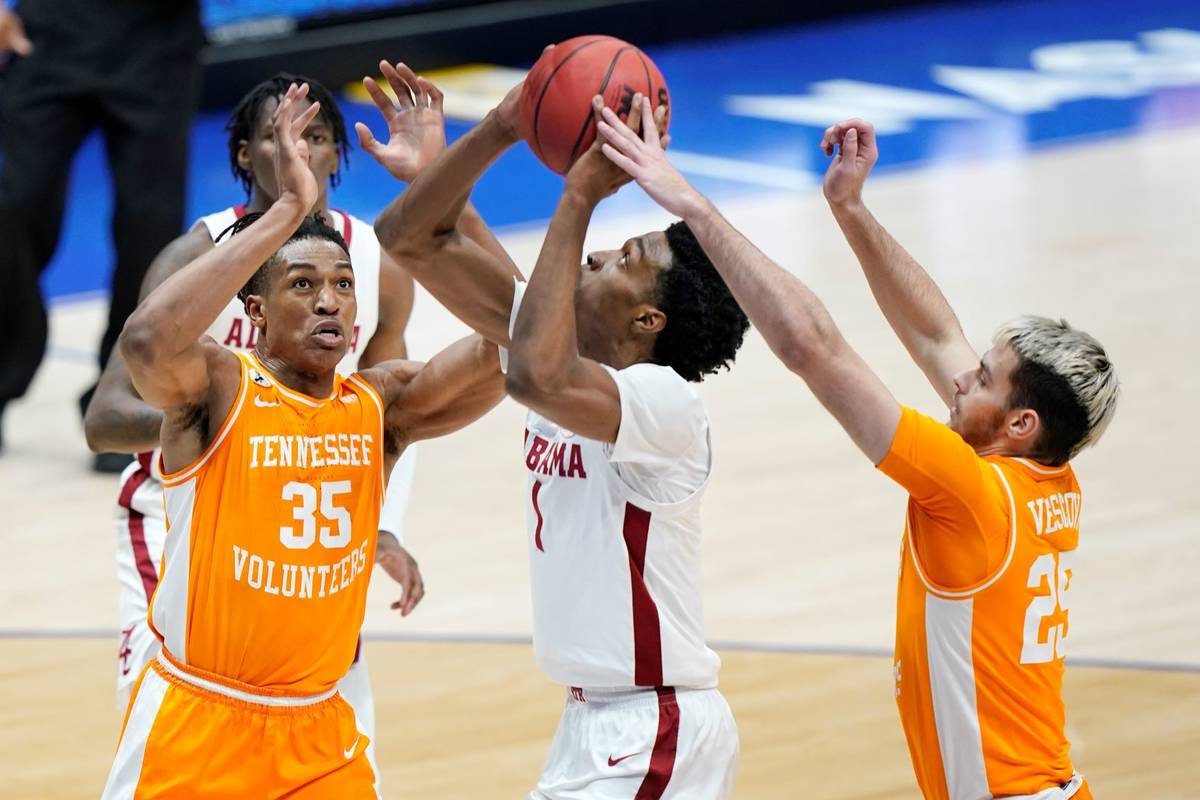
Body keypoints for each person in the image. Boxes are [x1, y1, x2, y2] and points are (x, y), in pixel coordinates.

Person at [597, 104, 1119, 800]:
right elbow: (936, 334)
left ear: (1020, 423)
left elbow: (812, 349)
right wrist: (850, 209)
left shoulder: (971, 491)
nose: (963, 376)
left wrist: (688, 203)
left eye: (984, 377)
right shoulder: (1047, 478)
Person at [101, 82, 505, 798]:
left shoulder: (380, 405)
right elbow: (142, 346)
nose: (329, 299)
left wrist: (450, 184)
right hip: (200, 719)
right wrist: (288, 210)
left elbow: (524, 341)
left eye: (343, 286)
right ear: (255, 311)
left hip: (320, 728)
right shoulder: (218, 388)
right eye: (305, 285)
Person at [370, 65, 748, 799]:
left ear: (648, 321)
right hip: (596, 729)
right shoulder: (556, 350)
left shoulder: (663, 404)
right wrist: (497, 131)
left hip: (652, 733)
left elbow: (533, 380)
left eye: (626, 260)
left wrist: (579, 193)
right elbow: (408, 236)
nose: (600, 253)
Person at [0, 1, 204, 451]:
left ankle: (125, 396)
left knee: (149, 228)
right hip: (48, 32)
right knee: (15, 206)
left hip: (155, 40)